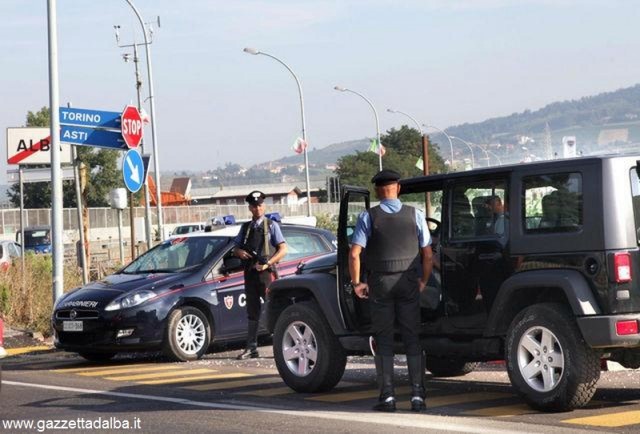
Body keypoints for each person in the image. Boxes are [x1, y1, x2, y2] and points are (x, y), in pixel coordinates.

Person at [348, 169, 433, 412]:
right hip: (408, 283)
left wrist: (356, 284)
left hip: (380, 284)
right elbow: (427, 254)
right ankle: (418, 397)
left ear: (377, 191)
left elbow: (354, 253)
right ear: (399, 188)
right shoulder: (415, 215)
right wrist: (423, 281)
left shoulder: (368, 217)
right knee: (412, 337)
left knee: (383, 339)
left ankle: (387, 397)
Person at [233, 191, 287, 360]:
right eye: (254, 206)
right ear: (250, 208)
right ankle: (251, 348)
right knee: (252, 311)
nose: (257, 208)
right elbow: (235, 248)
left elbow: (283, 249)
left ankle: (282, 346)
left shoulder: (271, 225)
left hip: (266, 273)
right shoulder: (245, 228)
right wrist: (239, 252)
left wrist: (268, 263)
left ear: (264, 206)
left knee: (274, 308)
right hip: (250, 273)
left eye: (260, 205)